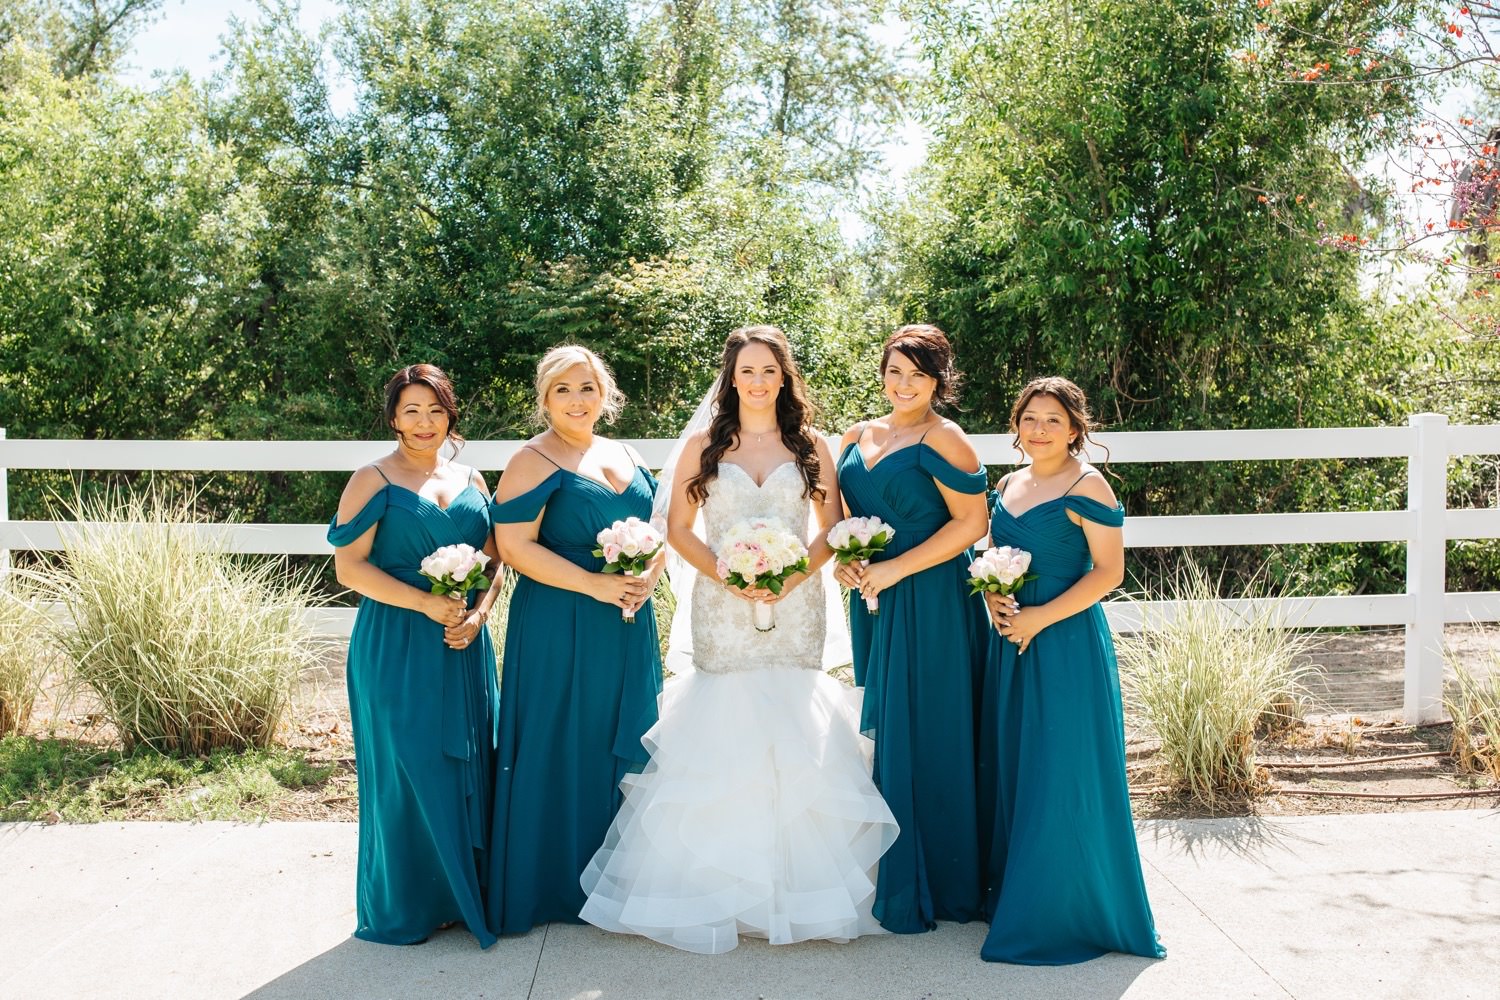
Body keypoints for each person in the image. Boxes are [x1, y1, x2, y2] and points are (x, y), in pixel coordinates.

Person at [579, 325, 898, 954]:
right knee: (723, 721)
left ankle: (798, 890)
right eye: (746, 371)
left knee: (793, 725)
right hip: (721, 601)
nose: (758, 382)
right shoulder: (704, 444)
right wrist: (732, 573)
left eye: (769, 371)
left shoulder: (811, 446)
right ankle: (713, 890)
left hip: (797, 601)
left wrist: (786, 579)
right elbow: (679, 527)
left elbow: (831, 527)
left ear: (784, 378)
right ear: (731, 378)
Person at [979, 376, 1165, 964]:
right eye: (1030, 418)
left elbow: (1108, 572)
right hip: (1009, 644)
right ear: (1017, 424)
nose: (1039, 429)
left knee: (1062, 769)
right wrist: (992, 599)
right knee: (1018, 764)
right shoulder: (1008, 482)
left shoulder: (1090, 485)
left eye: (1052, 420)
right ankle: (1018, 892)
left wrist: (1038, 620)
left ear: (1075, 429)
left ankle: (1064, 912)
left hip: (1064, 645)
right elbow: (990, 555)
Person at [485, 344, 665, 936]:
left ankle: (619, 882)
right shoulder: (532, 459)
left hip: (627, 622)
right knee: (560, 735)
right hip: (560, 620)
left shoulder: (627, 453)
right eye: (562, 389)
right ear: (544, 399)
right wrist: (593, 583)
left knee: (627, 731)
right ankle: (554, 884)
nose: (577, 400)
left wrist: (647, 577)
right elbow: (513, 546)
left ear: (605, 392)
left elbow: (658, 531)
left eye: (587, 387)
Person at [327, 363, 501, 948]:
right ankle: (408, 905)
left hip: (465, 643)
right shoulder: (372, 479)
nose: (423, 422)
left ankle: (459, 895)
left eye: (434, 409)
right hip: (397, 642)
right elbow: (349, 567)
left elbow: (497, 560)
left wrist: (478, 614)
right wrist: (423, 604)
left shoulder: (475, 479)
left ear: (450, 412)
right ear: (393, 417)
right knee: (408, 769)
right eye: (411, 411)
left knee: (468, 764)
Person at [834, 324, 991, 933]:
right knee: (885, 723)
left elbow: (971, 523)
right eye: (895, 371)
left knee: (931, 725)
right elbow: (847, 515)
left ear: (937, 381)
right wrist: (848, 555)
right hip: (873, 598)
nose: (904, 385)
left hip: (930, 597)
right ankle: (892, 866)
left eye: (918, 375)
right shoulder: (856, 435)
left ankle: (942, 877)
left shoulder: (946, 438)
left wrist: (896, 567)